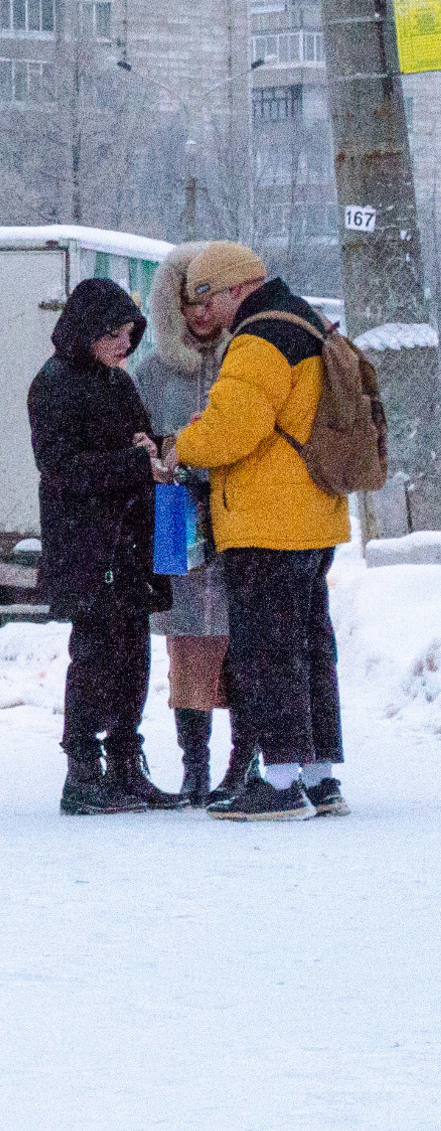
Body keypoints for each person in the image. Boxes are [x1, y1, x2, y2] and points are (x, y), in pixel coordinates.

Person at [169, 242, 348, 822]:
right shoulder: (308, 322)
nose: (206, 314)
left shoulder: (259, 337)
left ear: (236, 287)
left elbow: (234, 429)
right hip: (314, 514)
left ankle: (279, 781)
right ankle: (320, 778)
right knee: (308, 645)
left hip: (268, 519)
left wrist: (183, 445)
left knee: (267, 652)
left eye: (208, 297)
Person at [28, 276, 180, 814]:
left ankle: (123, 762)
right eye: (113, 334)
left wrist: (148, 448)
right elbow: (60, 468)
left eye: (129, 334)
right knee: (93, 656)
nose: (123, 345)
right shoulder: (56, 383)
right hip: (86, 547)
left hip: (128, 545)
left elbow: (137, 443)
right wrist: (134, 461)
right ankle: (82, 771)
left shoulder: (117, 382)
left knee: (133, 654)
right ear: (86, 331)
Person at [136, 242, 246, 802]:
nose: (200, 315)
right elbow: (141, 440)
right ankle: (195, 767)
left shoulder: (244, 361)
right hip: (179, 522)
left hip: (237, 518)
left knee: (243, 642)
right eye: (188, 303)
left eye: (207, 301)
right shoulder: (152, 373)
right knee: (186, 647)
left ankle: (242, 763)